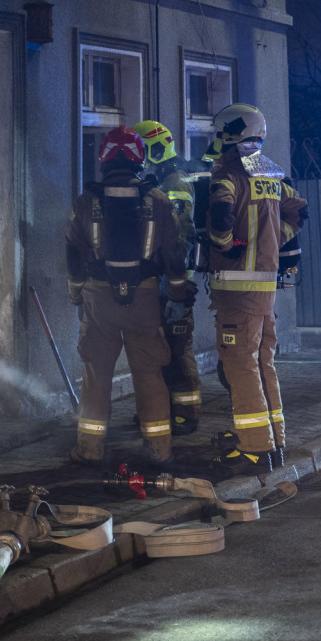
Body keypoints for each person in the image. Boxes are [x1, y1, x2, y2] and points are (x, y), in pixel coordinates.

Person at [66, 125, 189, 468]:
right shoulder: (159, 201)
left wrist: (77, 295)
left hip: (99, 300)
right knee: (149, 374)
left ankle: (90, 450)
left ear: (104, 157)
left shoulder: (85, 200)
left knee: (96, 375)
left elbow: (73, 254)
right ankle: (160, 451)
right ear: (139, 158)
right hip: (145, 300)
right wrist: (177, 295)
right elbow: (175, 255)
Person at [205, 103, 307, 484]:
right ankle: (274, 440)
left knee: (240, 364)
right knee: (263, 362)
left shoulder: (227, 174)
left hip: (236, 289)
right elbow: (299, 211)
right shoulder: (270, 172)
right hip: (264, 289)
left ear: (232, 133)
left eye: (219, 132)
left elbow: (219, 219)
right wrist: (274, 240)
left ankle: (255, 449)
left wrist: (225, 244)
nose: (215, 139)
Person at [131, 120, 202, 435]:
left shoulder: (175, 183)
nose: (140, 157)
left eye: (143, 150)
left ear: (157, 148)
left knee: (177, 350)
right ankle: (158, 412)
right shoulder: (157, 181)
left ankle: (186, 413)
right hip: (157, 282)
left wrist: (177, 284)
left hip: (174, 283)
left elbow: (179, 236)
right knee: (156, 352)